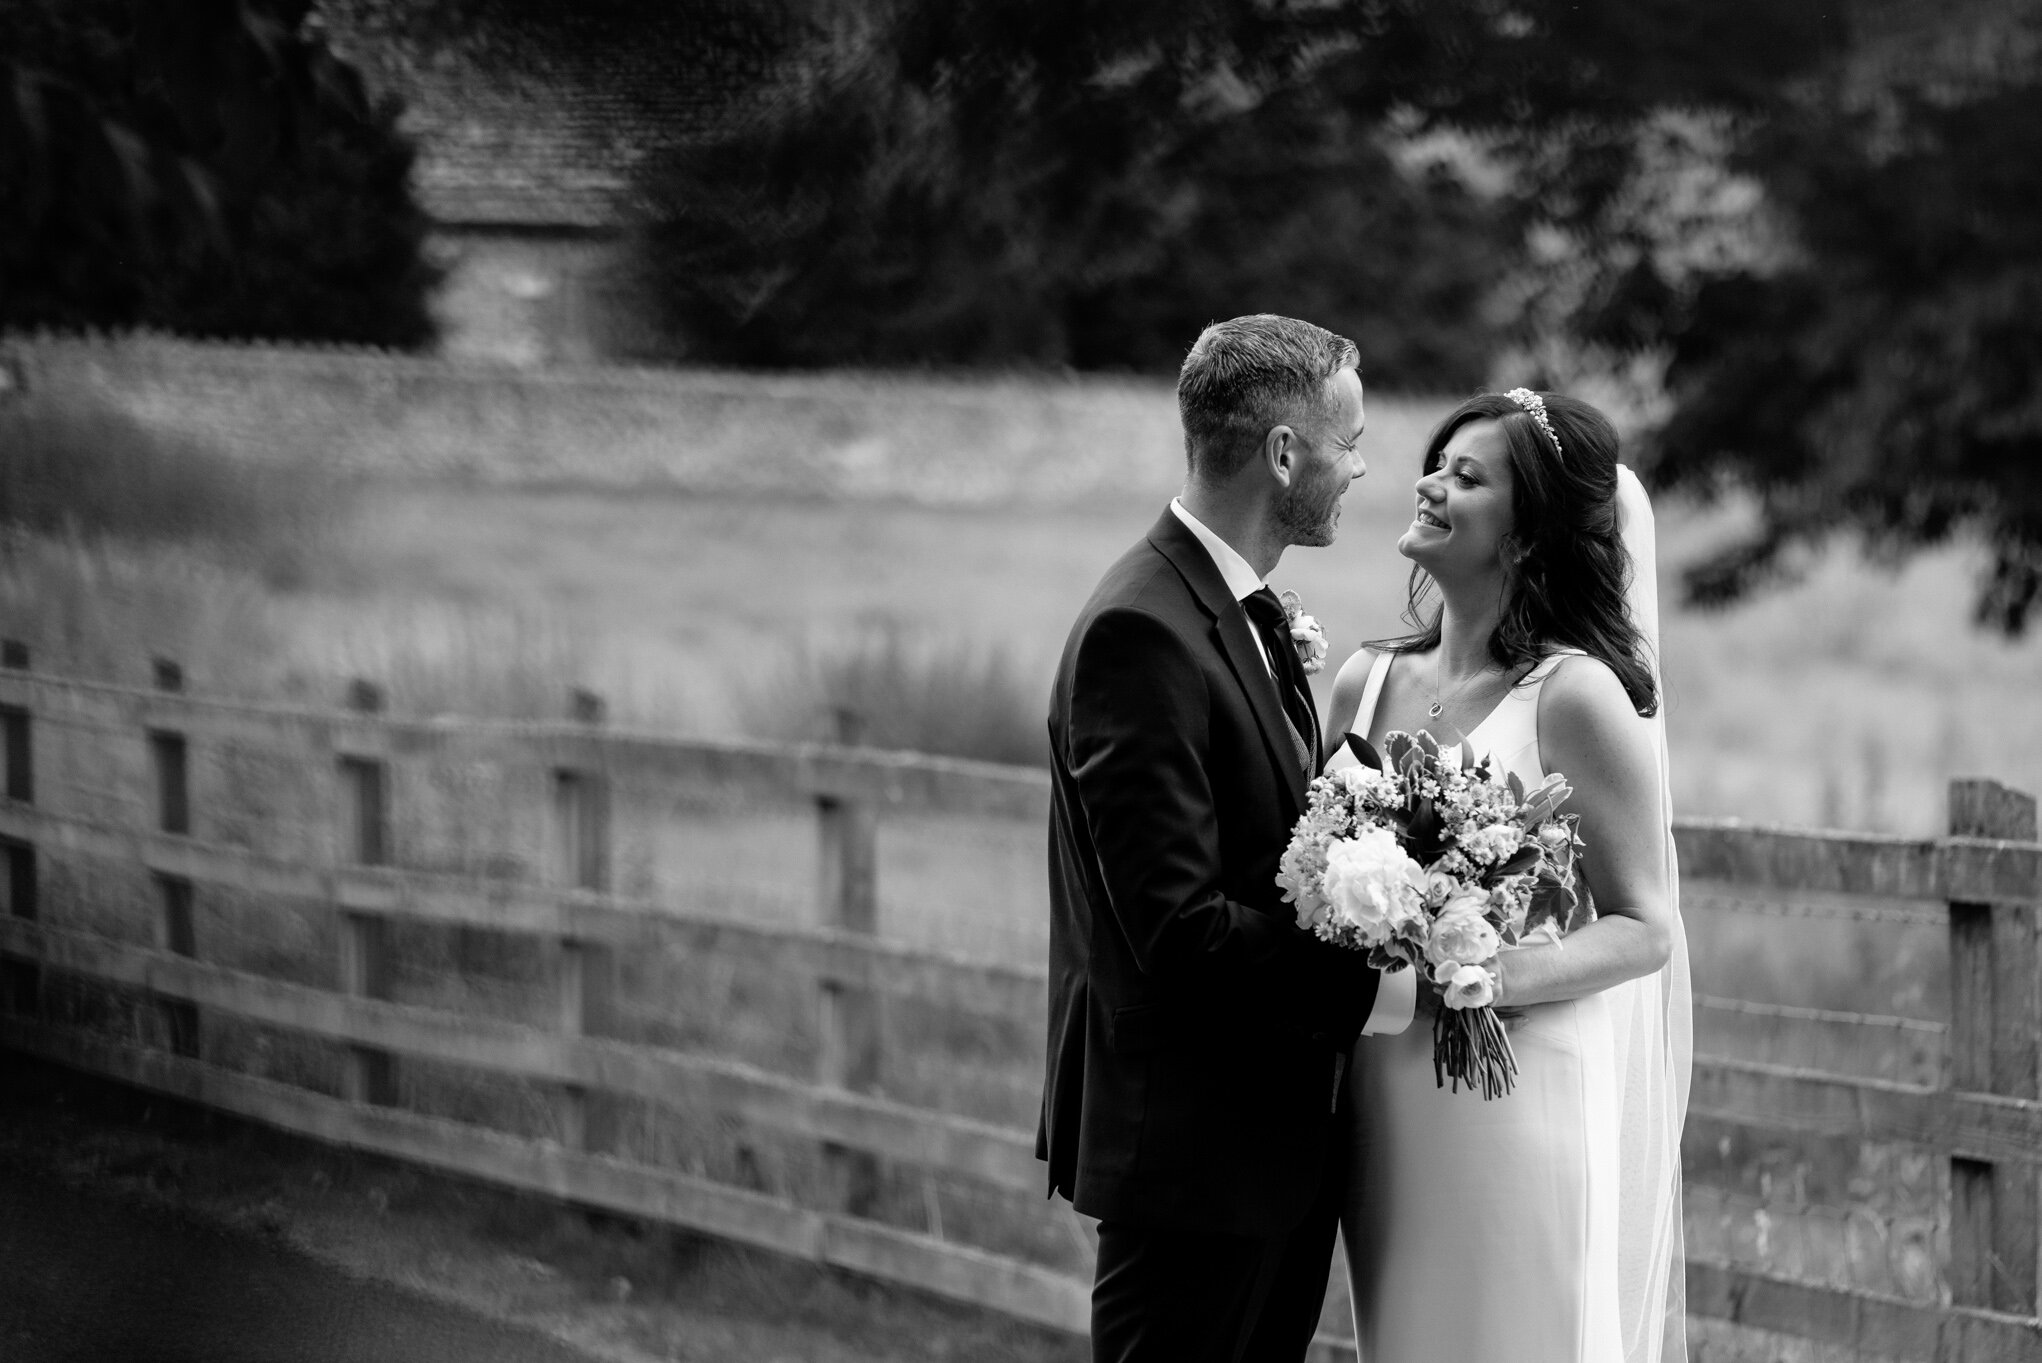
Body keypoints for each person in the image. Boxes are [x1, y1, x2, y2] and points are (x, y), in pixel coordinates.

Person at [1039, 314, 1418, 1363]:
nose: (1358, 468)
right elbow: (1176, 926)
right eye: (1347, 440)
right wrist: (1381, 984)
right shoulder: (1141, 631)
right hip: (1192, 1158)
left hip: (1269, 1150)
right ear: (1284, 452)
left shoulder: (1234, 611)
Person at [1324, 389, 1692, 1363]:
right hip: (1381, 1089)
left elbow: (1644, 924)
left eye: (1465, 475)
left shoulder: (1572, 696)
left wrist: (1486, 972)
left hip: (1513, 1090)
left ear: (1525, 536)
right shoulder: (1360, 678)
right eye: (1435, 464)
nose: (1428, 484)